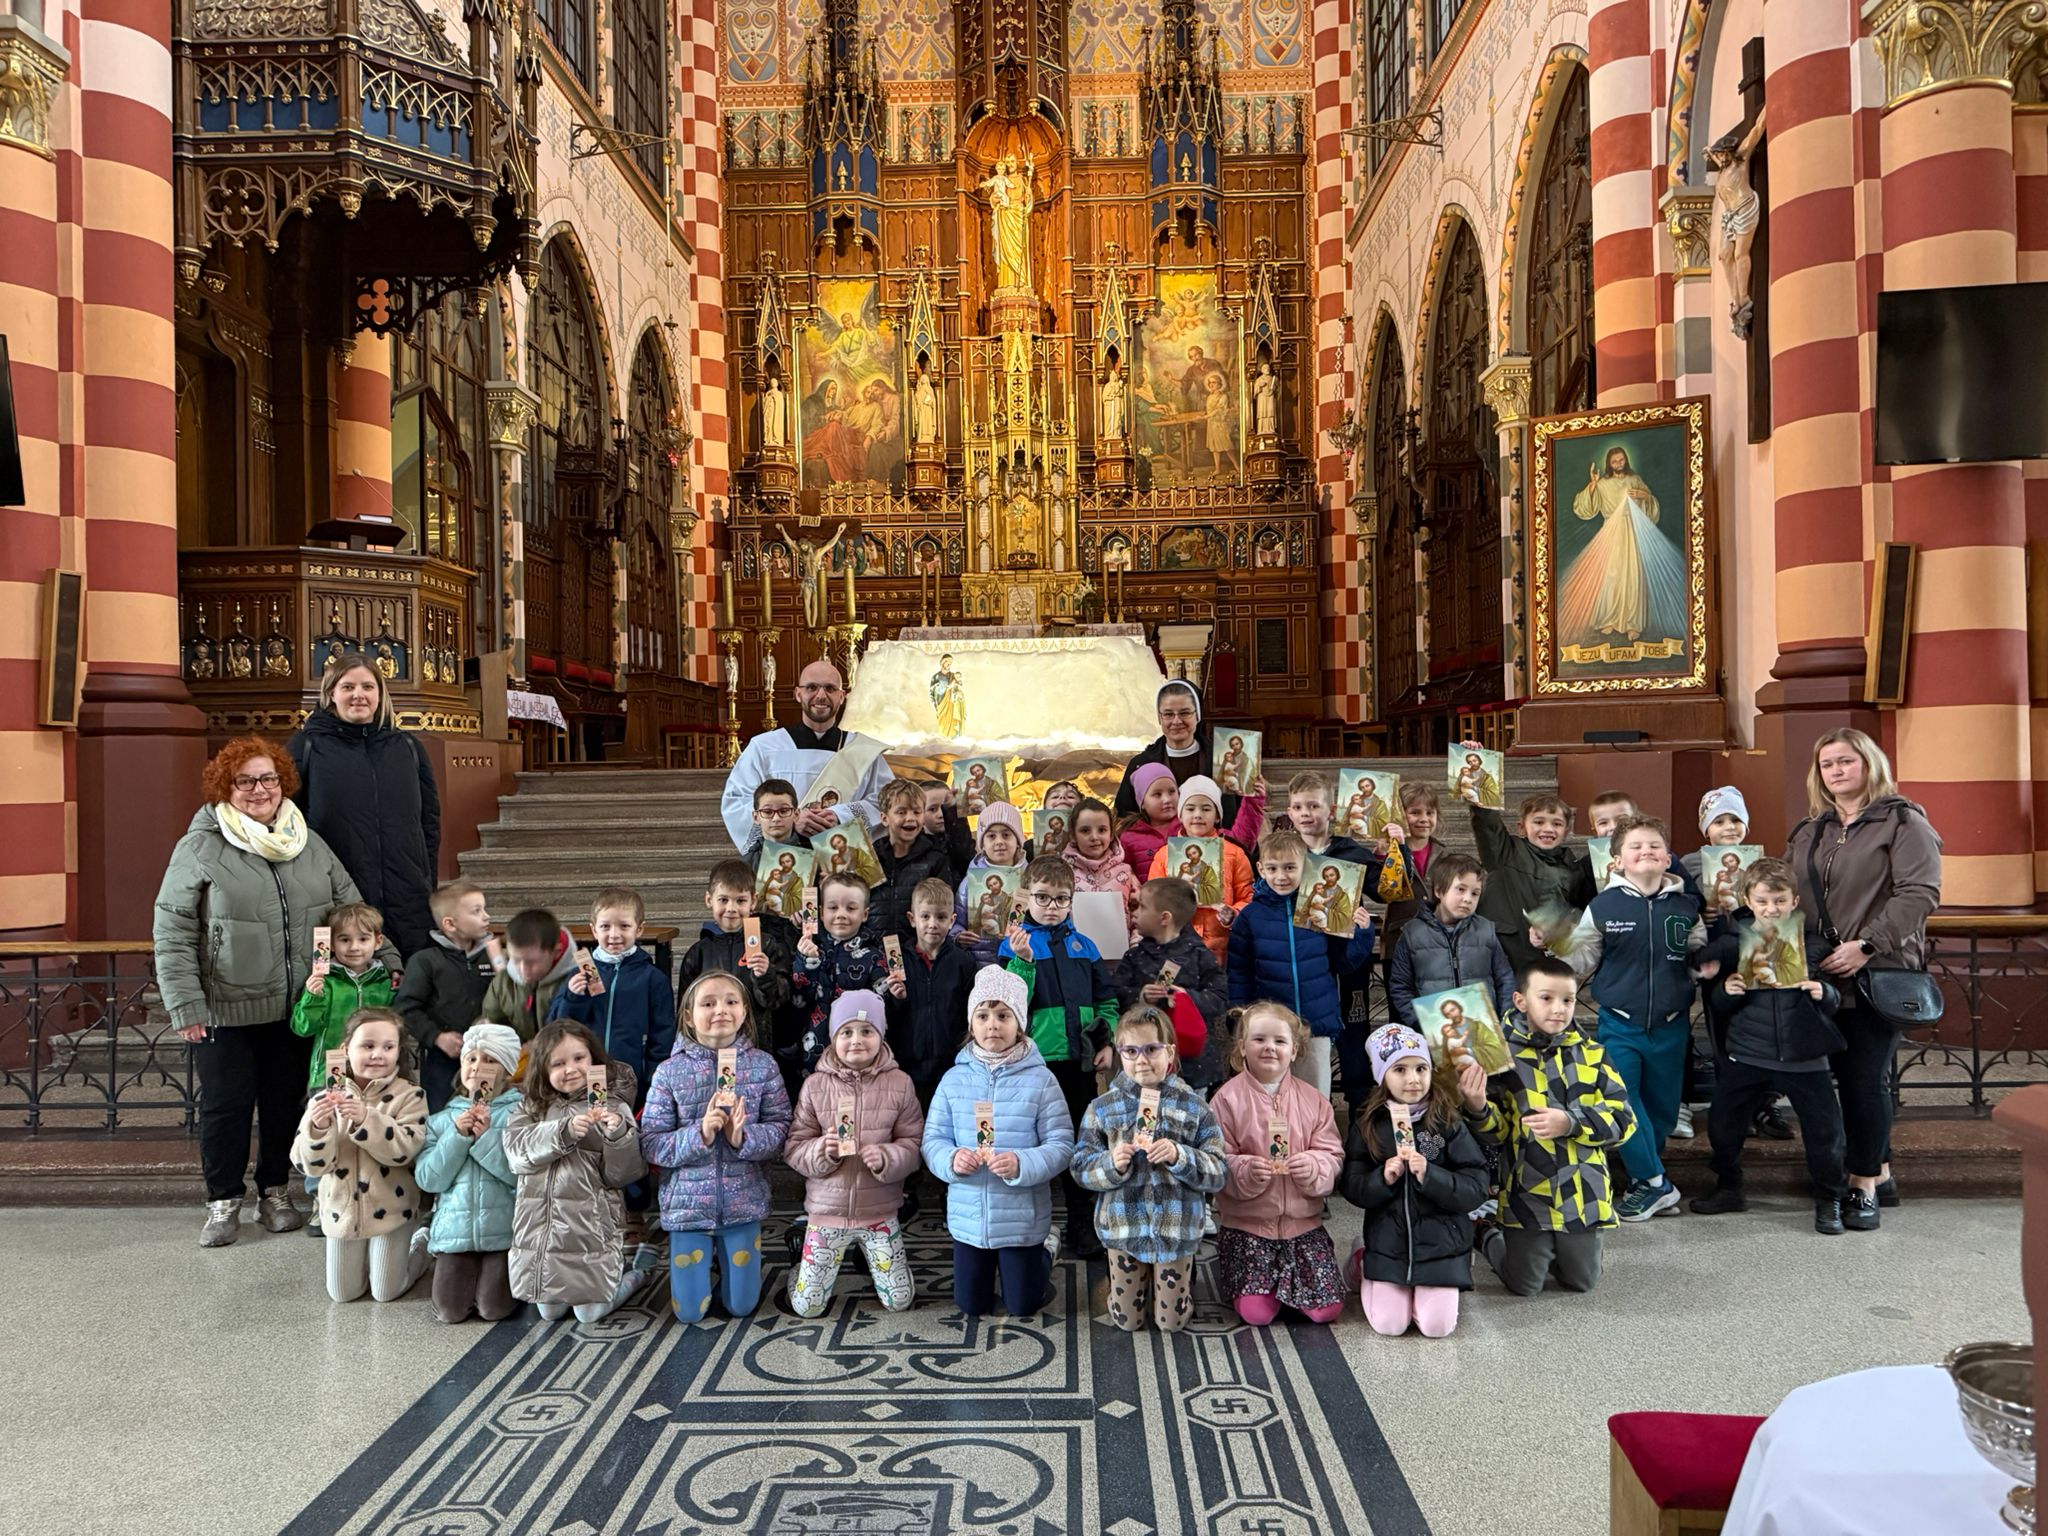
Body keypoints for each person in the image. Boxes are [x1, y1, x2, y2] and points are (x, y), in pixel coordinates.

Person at [154, 735, 396, 1247]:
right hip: (225, 1004)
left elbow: (351, 908)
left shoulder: (307, 841)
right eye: (244, 781)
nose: (259, 789)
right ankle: (223, 1201)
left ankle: (275, 1191)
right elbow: (173, 928)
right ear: (226, 788)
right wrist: (186, 1002)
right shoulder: (200, 846)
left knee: (285, 1102)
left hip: (298, 1002)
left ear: (282, 782)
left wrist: (387, 958)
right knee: (227, 1106)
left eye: (268, 778)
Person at [1784, 728, 1942, 1230]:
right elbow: (1786, 891)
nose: (1836, 770)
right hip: (1820, 970)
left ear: (1869, 764)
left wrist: (1867, 945)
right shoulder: (1811, 829)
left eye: (1846, 761)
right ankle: (1880, 1170)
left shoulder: (1904, 821)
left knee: (1863, 1080)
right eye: (1827, 763)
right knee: (1836, 1078)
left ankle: (1863, 1184)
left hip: (1877, 969)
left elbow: (1920, 893)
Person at [1540, 814, 1709, 1221]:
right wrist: (1556, 945)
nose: (1646, 851)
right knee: (1623, 1103)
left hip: (1671, 1025)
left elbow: (1697, 950)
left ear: (1667, 857)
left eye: (1654, 845)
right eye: (1636, 846)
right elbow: (1582, 959)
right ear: (1617, 860)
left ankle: (1644, 1182)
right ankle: (1654, 1181)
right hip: (1620, 1024)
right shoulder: (1603, 906)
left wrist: (1706, 966)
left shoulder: (1686, 906)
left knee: (1662, 1111)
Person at [1691, 859, 1852, 1233]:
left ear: (1794, 900)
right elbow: (1714, 1000)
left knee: (1825, 1131)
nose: (1771, 909)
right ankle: (1729, 1186)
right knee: (1724, 1124)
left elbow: (1835, 997)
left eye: (1780, 900)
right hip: (1748, 1050)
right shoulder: (1733, 944)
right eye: (1762, 901)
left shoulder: (1813, 945)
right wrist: (1727, 990)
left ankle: (1829, 1198)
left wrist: (1823, 991)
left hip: (1804, 1054)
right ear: (1748, 900)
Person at [1461, 956, 1636, 1295]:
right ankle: (1487, 1233)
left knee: (1582, 1282)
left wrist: (1570, 1122)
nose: (1559, 1009)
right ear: (1520, 1000)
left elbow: (1625, 1121)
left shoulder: (1594, 1054)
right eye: (1546, 998)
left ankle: (1559, 1251)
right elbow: (1496, 1134)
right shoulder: (1497, 1055)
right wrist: (1477, 1105)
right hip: (1528, 1195)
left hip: (1582, 1196)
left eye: (1568, 1000)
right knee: (1525, 1285)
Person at [641, 972, 793, 1323]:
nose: (720, 1010)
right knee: (689, 1313)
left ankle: (727, 1275)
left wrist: (743, 1138)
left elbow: (782, 1130)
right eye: (708, 1003)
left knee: (742, 1307)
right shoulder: (669, 1072)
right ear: (688, 1016)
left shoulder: (763, 1066)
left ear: (745, 1012)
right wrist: (700, 1135)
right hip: (687, 1211)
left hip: (743, 1206)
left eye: (731, 1001)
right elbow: (650, 1142)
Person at [924, 966, 1075, 1317]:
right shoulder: (953, 1079)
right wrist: (951, 1160)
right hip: (969, 1218)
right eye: (983, 1016)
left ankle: (1045, 1250)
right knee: (970, 1305)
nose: (993, 1025)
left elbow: (1062, 1143)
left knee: (1023, 1305)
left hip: (1022, 1219)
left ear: (1019, 1024)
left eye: (1003, 1016)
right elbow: (933, 1139)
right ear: (971, 1024)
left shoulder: (1042, 1080)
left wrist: (1022, 1163)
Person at [1071, 1007, 1226, 1333]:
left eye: (1152, 1049)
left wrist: (1180, 1156)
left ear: (1170, 1052)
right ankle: (1127, 1285)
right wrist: (1110, 1164)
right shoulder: (1102, 1107)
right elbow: (1080, 1167)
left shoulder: (1194, 1107)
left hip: (1175, 1232)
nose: (1141, 1060)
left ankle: (1179, 1281)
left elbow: (1218, 1172)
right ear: (1119, 1054)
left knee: (1171, 1323)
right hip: (1125, 1230)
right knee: (1128, 1321)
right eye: (1131, 1051)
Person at [1002, 856, 1122, 1256]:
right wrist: (1023, 961)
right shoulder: (1013, 945)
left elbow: (1106, 1000)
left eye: (1061, 898)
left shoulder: (1084, 946)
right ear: (1026, 897)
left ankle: (1080, 1220)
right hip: (1034, 1064)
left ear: (1072, 900)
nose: (1052, 906)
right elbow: (1010, 1007)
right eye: (1042, 897)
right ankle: (1031, 1223)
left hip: (1078, 1062)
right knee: (1034, 1141)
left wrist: (1105, 1042)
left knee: (1080, 1138)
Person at [1339, 1024, 1489, 1338]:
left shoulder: (1447, 1121)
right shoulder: (1368, 1124)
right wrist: (1382, 1178)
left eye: (1421, 1068)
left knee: (1438, 1328)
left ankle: (1430, 1292)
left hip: (1441, 1249)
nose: (1413, 1079)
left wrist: (1431, 1176)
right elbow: (1352, 1186)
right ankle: (1362, 1260)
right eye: (1400, 1069)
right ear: (1382, 1076)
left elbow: (1476, 1186)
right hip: (1388, 1247)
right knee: (1389, 1325)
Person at [287, 653, 441, 955]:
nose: (358, 695)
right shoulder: (307, 746)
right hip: (336, 899)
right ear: (331, 693)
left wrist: (427, 882)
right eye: (348, 687)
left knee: (408, 978)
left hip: (407, 899)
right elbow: (288, 823)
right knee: (335, 981)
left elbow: (429, 823)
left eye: (368, 687)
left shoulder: (408, 747)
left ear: (380, 694)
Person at [784, 991, 924, 1316]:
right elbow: (794, 1147)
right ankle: (800, 1268)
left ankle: (881, 1266)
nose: (856, 1040)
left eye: (867, 1031)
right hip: (826, 1213)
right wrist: (822, 1151)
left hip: (880, 1213)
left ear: (881, 1036)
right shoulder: (815, 1086)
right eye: (846, 1032)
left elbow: (914, 1144)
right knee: (808, 1307)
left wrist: (888, 1158)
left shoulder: (900, 1083)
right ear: (833, 1038)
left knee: (899, 1301)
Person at [505, 1022, 656, 1323]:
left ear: (593, 1058)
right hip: (541, 1231)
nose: (571, 1069)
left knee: (589, 1313)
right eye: (558, 1063)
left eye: (578, 1058)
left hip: (590, 1229)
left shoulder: (615, 1107)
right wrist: (562, 1132)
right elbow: (516, 1154)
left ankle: (637, 1275)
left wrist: (618, 1136)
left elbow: (622, 1175)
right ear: (542, 1069)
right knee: (549, 1313)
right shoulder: (531, 1108)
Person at [1211, 1002, 1348, 1325]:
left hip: (1303, 1226)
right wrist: (1244, 1170)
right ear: (1242, 1047)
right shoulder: (1226, 1100)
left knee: (1326, 1311)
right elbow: (1215, 1160)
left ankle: (1347, 1263)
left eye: (1280, 1041)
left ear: (1294, 1050)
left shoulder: (1314, 1100)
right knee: (1257, 1314)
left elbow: (1332, 1154)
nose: (1269, 1047)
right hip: (1248, 1227)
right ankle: (1268, 1288)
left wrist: (1313, 1166)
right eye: (1259, 1039)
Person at [292, 1006, 431, 1302]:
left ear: (398, 1051)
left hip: (392, 1211)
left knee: (385, 1292)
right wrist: (318, 1128)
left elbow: (404, 1151)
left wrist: (366, 1119)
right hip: (341, 1212)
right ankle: (371, 1262)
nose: (378, 1054)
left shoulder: (411, 1096)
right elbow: (310, 1167)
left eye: (388, 1047)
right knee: (342, 1294)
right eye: (368, 1046)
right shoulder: (323, 1099)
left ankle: (420, 1245)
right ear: (346, 1049)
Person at [1227, 827, 1375, 1100]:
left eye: (1289, 867)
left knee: (1315, 1098)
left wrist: (1362, 932)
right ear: (1260, 869)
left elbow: (1345, 962)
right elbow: (1239, 972)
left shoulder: (1320, 911)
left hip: (1315, 1022)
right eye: (1272, 868)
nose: (1281, 876)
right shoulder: (1250, 917)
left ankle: (1319, 1132)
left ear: (1306, 866)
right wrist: (1241, 1019)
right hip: (1270, 1028)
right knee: (1271, 1098)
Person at [719, 660, 895, 851]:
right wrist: (790, 819)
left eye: (830, 688)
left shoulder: (863, 750)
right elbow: (736, 802)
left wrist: (841, 815)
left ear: (842, 696)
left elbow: (887, 802)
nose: (821, 695)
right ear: (798, 694)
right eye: (811, 687)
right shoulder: (765, 747)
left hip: (844, 857)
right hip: (785, 857)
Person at [884, 878, 979, 1225]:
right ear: (912, 919)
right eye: (925, 917)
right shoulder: (897, 959)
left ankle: (947, 1188)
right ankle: (908, 1191)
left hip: (949, 1064)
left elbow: (970, 1010)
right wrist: (894, 998)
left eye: (941, 917)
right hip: (907, 1061)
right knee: (909, 1129)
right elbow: (885, 1013)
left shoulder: (963, 962)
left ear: (952, 920)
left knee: (949, 1129)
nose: (933, 925)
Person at [415, 1022, 524, 1323]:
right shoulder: (440, 1121)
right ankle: (428, 1247)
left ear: (507, 1070)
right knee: (449, 1312)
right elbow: (429, 1180)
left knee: (493, 1308)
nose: (477, 1067)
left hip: (505, 1233)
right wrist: (458, 1137)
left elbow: (522, 1177)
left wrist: (485, 1139)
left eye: (490, 1060)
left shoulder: (521, 1115)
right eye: (471, 1059)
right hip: (455, 1233)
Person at [548, 886, 676, 1118]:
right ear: (594, 930)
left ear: (639, 928)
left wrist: (653, 1078)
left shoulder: (653, 978)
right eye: (605, 926)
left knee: (621, 1130)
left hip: (631, 1081)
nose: (614, 934)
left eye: (624, 926)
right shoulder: (577, 974)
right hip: (581, 1077)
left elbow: (663, 1034)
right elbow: (557, 1027)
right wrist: (573, 997)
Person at [678, 859, 798, 1080]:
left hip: (757, 1049)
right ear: (709, 900)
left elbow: (779, 1001)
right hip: (709, 1053)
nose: (731, 909)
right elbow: (685, 1009)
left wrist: (765, 976)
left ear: (753, 901)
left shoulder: (768, 946)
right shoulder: (698, 953)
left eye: (740, 900)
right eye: (723, 900)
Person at [1465, 777, 1594, 978]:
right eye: (1539, 822)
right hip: (1501, 954)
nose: (1548, 829)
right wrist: (1479, 792)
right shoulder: (1505, 853)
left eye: (1557, 824)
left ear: (1567, 831)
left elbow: (1578, 918)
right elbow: (1487, 824)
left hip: (1545, 962)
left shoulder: (1574, 870)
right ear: (1521, 827)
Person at [1114, 878, 1230, 1092]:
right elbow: (1115, 995)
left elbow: (1220, 998)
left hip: (1194, 1066)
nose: (1134, 913)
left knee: (1189, 1109)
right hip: (1145, 1062)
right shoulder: (1134, 957)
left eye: (1142, 907)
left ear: (1164, 918)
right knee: (1147, 1110)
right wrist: (1141, 997)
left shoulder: (1199, 955)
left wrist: (1187, 997)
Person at [397, 880, 499, 1112]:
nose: (486, 916)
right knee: (442, 1116)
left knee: (490, 1114)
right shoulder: (425, 961)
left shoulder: (495, 956)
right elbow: (406, 1008)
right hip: (443, 1059)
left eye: (484, 909)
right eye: (476, 911)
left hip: (491, 1055)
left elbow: (513, 998)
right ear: (450, 924)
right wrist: (437, 1037)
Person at [1386, 854, 1516, 1033]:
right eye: (1460, 889)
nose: (1468, 899)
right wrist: (1421, 1024)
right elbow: (1400, 986)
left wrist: (1503, 1020)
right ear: (1439, 891)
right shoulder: (1412, 933)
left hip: (1484, 1030)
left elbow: (1505, 979)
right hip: (1436, 1033)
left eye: (1475, 893)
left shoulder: (1486, 930)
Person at [1145, 775, 1260, 965]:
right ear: (1180, 815)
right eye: (1190, 808)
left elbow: (1248, 897)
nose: (1198, 814)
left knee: (1217, 985)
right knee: (1174, 985)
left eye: (1206, 809)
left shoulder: (1234, 853)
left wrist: (1232, 914)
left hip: (1220, 951)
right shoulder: (1164, 855)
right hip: (1176, 950)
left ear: (1217, 816)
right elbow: (1151, 898)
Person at [288, 901, 394, 1093]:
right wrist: (313, 998)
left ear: (378, 941)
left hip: (376, 1071)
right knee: (333, 1110)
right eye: (345, 940)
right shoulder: (324, 982)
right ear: (331, 944)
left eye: (363, 939)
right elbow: (302, 1028)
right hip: (331, 1069)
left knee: (373, 1111)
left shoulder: (385, 984)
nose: (354, 947)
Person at [792, 873, 889, 1076]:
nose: (841, 914)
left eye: (851, 908)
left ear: (864, 914)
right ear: (821, 912)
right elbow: (799, 999)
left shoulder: (873, 955)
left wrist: (895, 993)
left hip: (858, 1053)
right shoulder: (810, 948)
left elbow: (882, 1006)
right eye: (833, 907)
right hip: (814, 1048)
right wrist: (805, 963)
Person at [1110, 682, 1245, 827]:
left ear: (1197, 715)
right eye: (1168, 714)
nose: (1176, 721)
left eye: (1185, 713)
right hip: (1157, 841)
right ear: (1160, 718)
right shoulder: (1142, 763)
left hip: (1217, 840)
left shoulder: (1224, 758)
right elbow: (1125, 818)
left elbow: (1242, 814)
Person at [868, 779, 953, 943]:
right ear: (885, 818)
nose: (910, 818)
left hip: (917, 949)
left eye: (917, 812)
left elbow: (943, 907)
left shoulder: (935, 858)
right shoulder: (870, 857)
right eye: (901, 812)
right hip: (874, 948)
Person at [482, 908, 578, 1040]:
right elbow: (492, 1023)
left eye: (532, 962)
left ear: (556, 952)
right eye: (515, 960)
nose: (523, 970)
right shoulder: (503, 982)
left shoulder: (582, 979)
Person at [953, 801, 1030, 952]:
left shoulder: (1031, 879)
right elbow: (958, 921)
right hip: (978, 958)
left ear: (1018, 841)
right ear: (982, 844)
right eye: (991, 836)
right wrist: (958, 936)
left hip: (1020, 958)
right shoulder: (969, 882)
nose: (999, 841)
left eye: (1006, 835)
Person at [1062, 797, 1143, 925]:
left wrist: (1136, 936)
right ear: (1073, 836)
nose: (1094, 837)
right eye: (1085, 830)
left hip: (1120, 938)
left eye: (1102, 830)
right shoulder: (1062, 873)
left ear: (1111, 834)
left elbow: (1139, 911)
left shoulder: (1126, 872)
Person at [1118, 764, 1183, 878]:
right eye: (1157, 794)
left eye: (1172, 791)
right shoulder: (1129, 837)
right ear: (1142, 802)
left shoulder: (1188, 826)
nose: (1167, 799)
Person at [741, 779, 809, 862]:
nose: (776, 818)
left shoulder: (814, 859)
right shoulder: (745, 864)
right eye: (767, 812)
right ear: (756, 817)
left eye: (783, 811)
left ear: (796, 814)